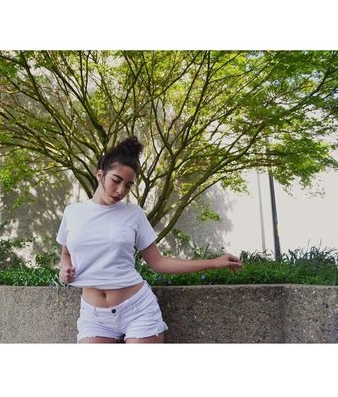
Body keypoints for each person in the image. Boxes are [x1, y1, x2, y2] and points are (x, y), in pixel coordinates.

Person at [56, 136, 242, 343]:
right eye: (116, 181)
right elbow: (66, 253)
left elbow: (158, 262)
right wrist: (65, 270)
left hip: (137, 309)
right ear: (100, 175)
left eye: (128, 185)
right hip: (94, 317)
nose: (121, 191)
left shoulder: (133, 214)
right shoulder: (72, 212)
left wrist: (213, 263)